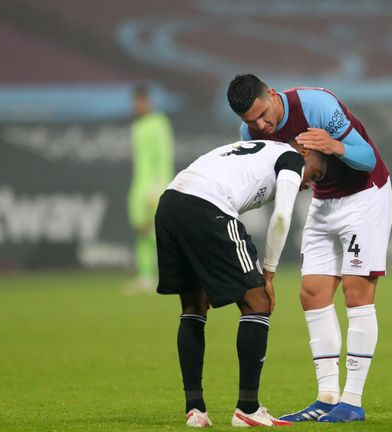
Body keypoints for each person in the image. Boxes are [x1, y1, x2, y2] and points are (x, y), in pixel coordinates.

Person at [227, 74, 392, 423]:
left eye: (263, 115)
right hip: (323, 201)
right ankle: (327, 397)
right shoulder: (250, 135)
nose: (260, 125)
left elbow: (367, 159)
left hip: (364, 195)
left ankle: (352, 400)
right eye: (250, 122)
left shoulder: (317, 106)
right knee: (312, 293)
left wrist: (336, 147)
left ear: (272, 95)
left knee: (355, 291)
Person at [154, 138, 326, 427]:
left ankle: (195, 410)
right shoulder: (290, 159)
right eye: (315, 174)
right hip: (206, 205)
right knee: (258, 300)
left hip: (170, 203)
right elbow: (282, 216)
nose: (309, 184)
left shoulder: (260, 148)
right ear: (305, 153)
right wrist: (268, 274)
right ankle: (248, 407)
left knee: (194, 306)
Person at [127, 82, 174, 291]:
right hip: (139, 185)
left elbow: (163, 157)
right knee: (141, 229)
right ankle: (145, 275)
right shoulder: (137, 126)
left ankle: (167, 275)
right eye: (136, 102)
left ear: (148, 101)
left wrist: (159, 186)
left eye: (142, 101)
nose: (138, 105)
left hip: (155, 185)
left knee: (156, 232)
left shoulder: (159, 124)